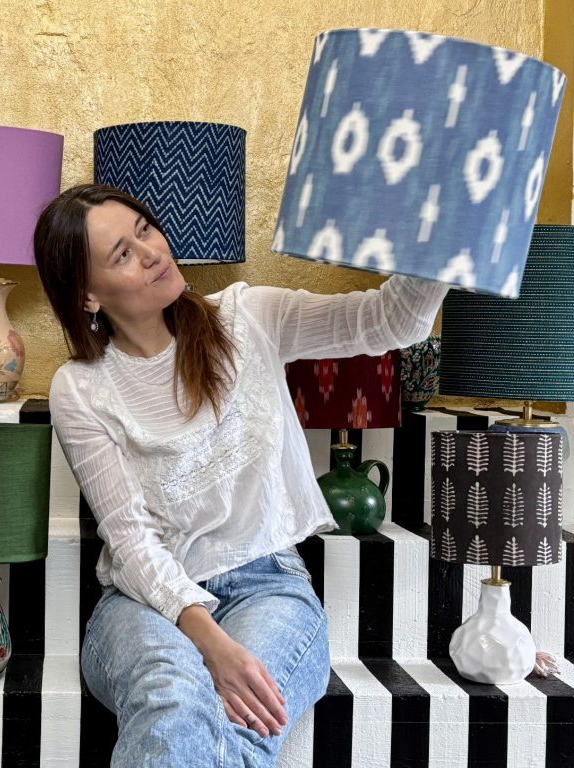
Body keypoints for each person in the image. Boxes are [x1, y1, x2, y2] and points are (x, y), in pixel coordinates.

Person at [34, 183, 448, 767]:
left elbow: (392, 320)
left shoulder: (245, 317)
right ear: (87, 295)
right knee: (174, 697)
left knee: (239, 725)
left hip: (270, 585)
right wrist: (211, 644)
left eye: (145, 229)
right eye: (122, 254)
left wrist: (445, 220)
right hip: (144, 604)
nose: (151, 252)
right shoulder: (80, 388)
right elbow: (129, 539)